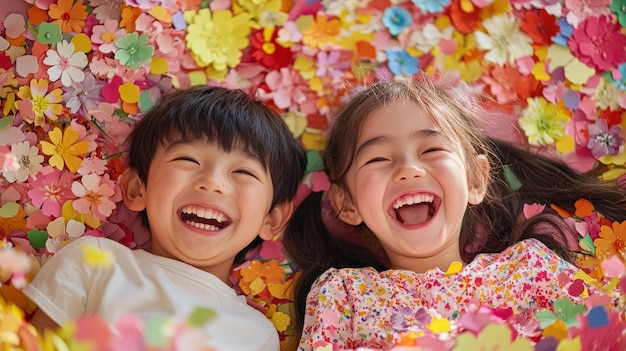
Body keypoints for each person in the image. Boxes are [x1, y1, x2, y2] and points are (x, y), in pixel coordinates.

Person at [283, 76, 626, 350]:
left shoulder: (529, 268)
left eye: (431, 149)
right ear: (347, 203)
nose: (409, 169)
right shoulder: (343, 295)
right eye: (377, 158)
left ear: (476, 179)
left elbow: (608, 332)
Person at [23, 86, 307, 351]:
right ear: (137, 189)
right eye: (188, 160)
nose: (212, 182)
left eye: (244, 172)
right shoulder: (95, 264)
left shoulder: (257, 334)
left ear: (271, 219)